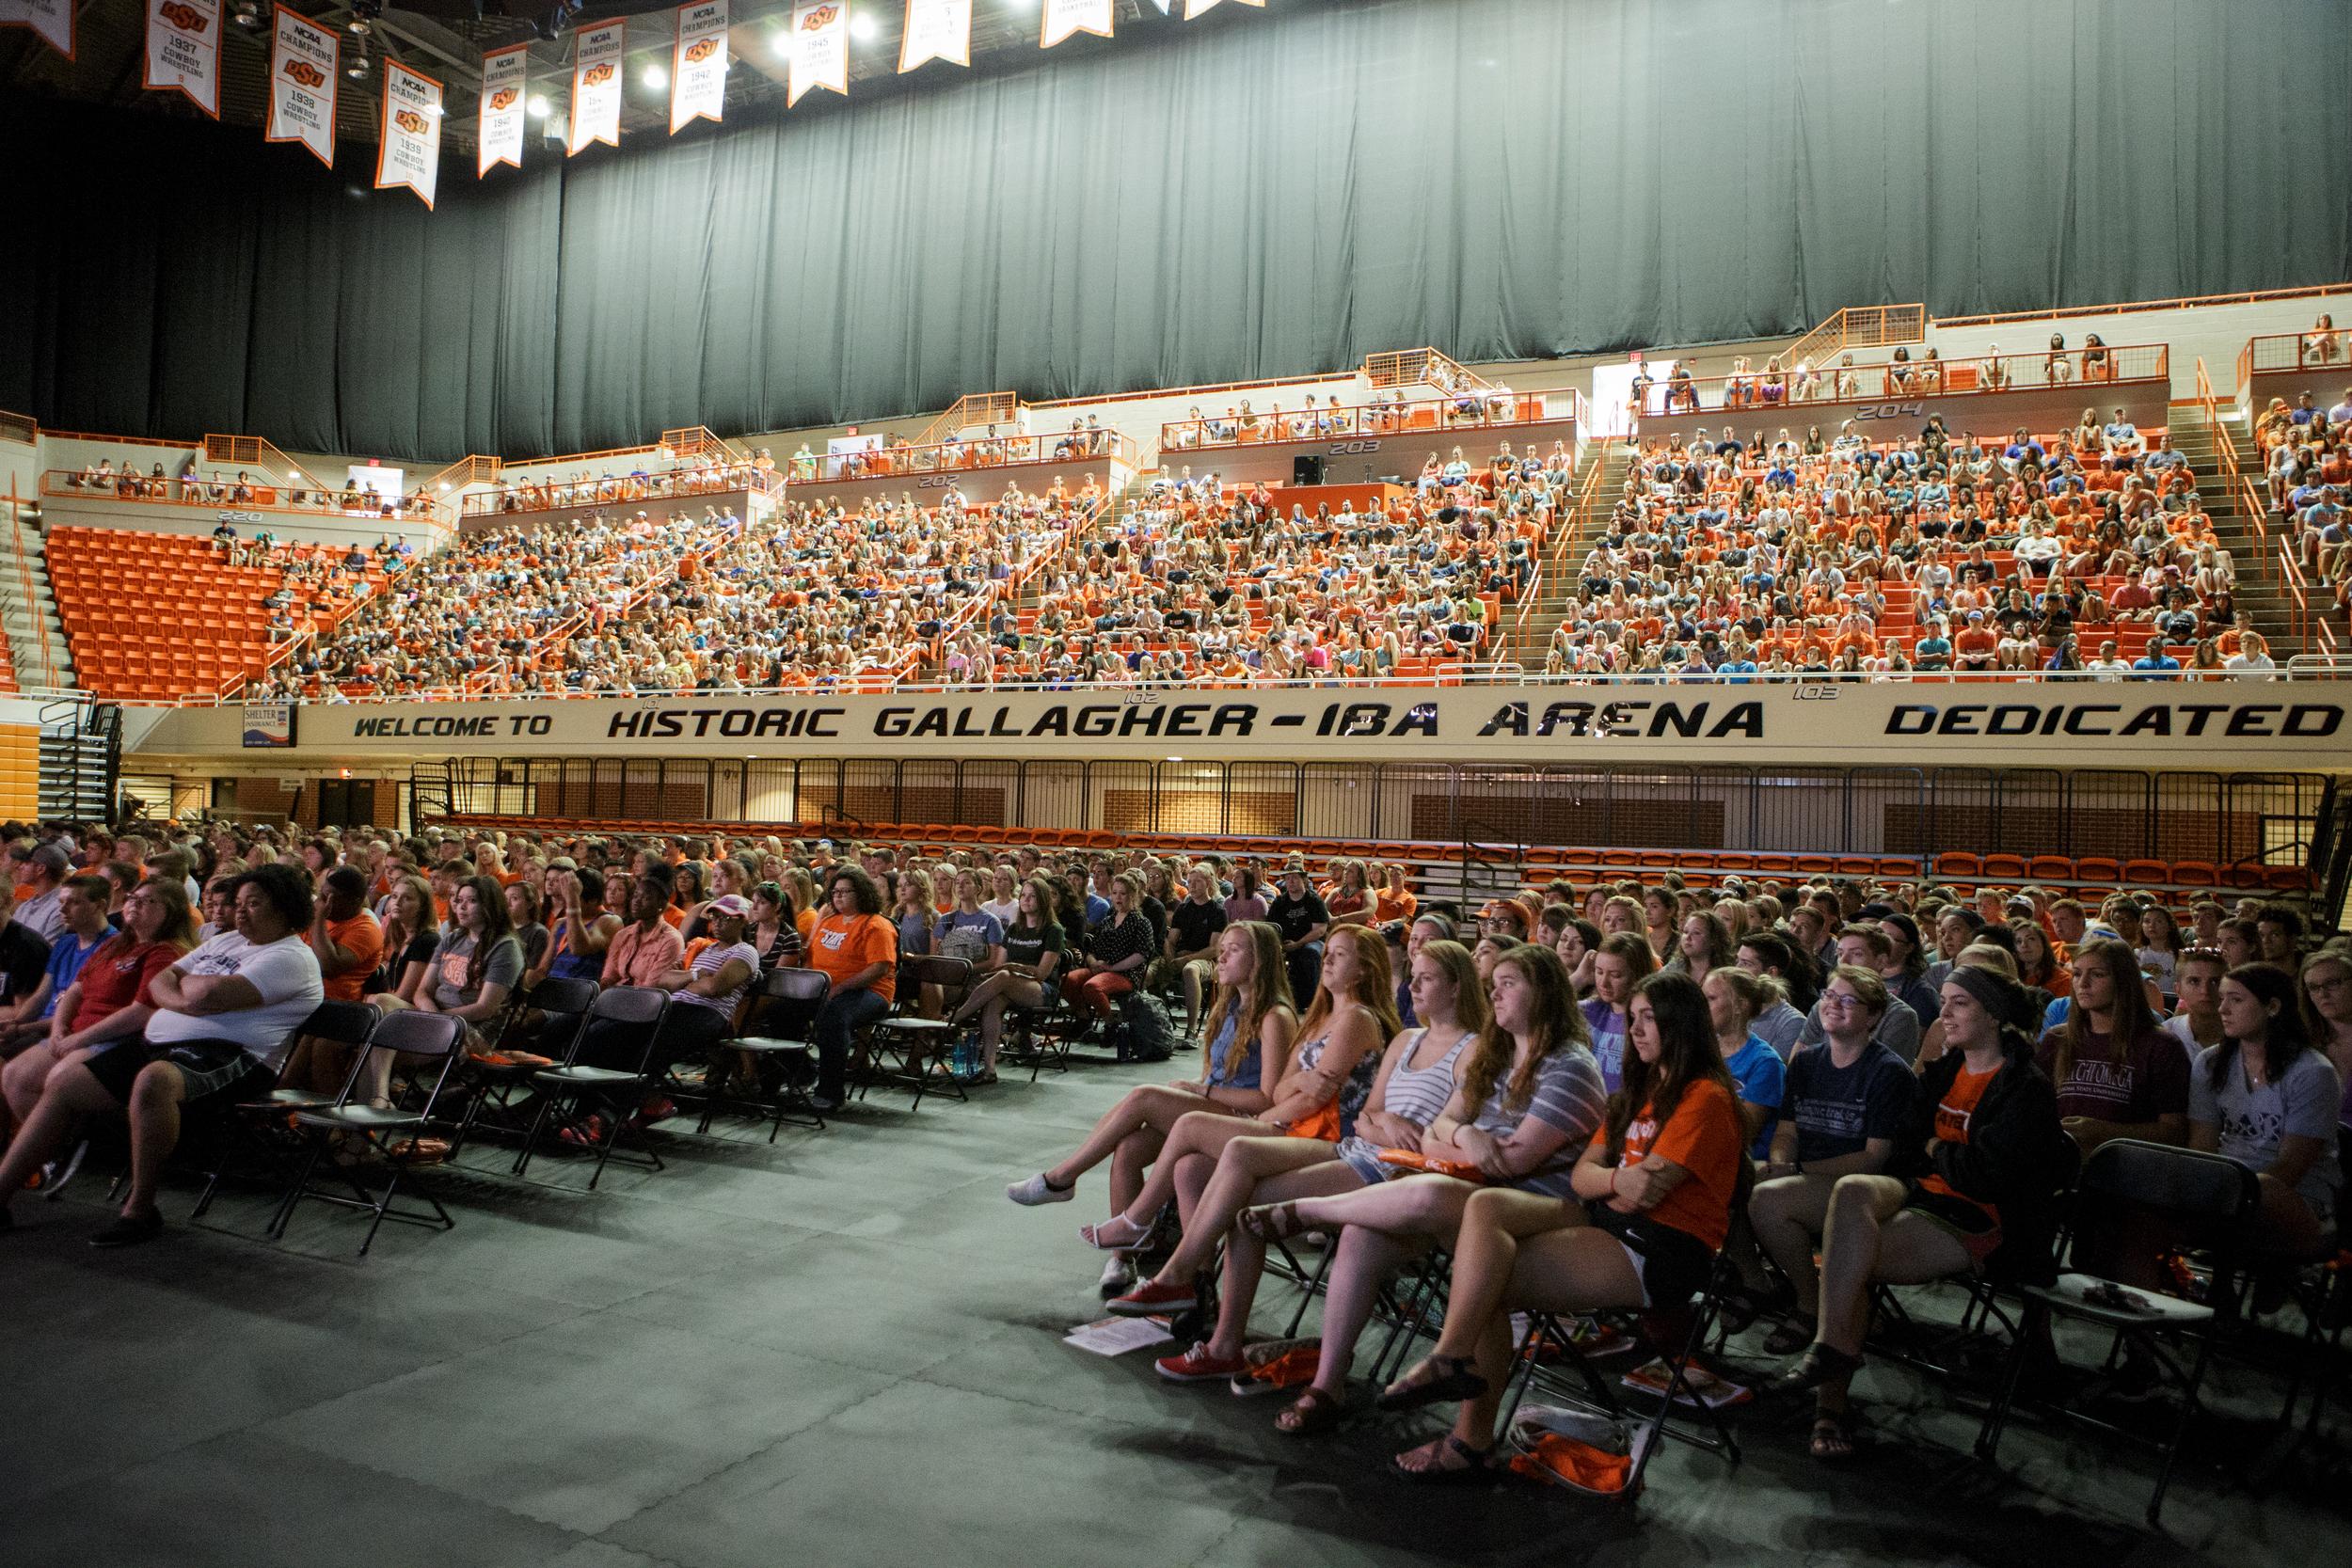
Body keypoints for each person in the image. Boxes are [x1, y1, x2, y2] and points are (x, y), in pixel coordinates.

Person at [1371, 971, 1744, 1481]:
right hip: (1610, 1227)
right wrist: (1618, 1179)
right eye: (1631, 1018)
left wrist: (1613, 1182)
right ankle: (1453, 1363)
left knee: (1484, 1285)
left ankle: (1468, 1430)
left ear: (1682, 1025)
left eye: (1649, 1018)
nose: (1635, 1030)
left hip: (1663, 1251)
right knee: (1485, 1211)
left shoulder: (1705, 1098)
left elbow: (1648, 1191)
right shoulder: (1634, 1093)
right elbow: (1586, 1178)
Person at [1230, 945, 1606, 1438]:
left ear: (1546, 994)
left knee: (1429, 1194)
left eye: (1510, 982)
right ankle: (1327, 1385)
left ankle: (1306, 1211)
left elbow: (1514, 1160)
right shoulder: (1496, 1054)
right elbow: (1440, 1127)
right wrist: (1467, 1134)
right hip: (1463, 1189)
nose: (1495, 989)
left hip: (1529, 1210)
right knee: (1364, 1232)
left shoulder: (1568, 1067)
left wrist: (1452, 1138)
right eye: (1496, 981)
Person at [1767, 965, 2066, 1463]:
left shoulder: (2023, 1086)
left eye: (1959, 1004)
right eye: (1943, 1001)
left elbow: (1984, 1175)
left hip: (1982, 1219)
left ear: (1992, 1016)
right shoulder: (1947, 1071)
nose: (1942, 1013)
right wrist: (1933, 1149)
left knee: (1849, 1258)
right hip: (1922, 1194)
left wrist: (1932, 1144)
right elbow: (1903, 1145)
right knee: (1854, 1190)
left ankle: (1830, 1398)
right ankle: (1832, 1349)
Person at [1139, 940, 1489, 1358]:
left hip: (1392, 1167)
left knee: (1236, 1197)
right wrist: (1388, 1123)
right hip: (1360, 1146)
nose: (1413, 986)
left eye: (1426, 978)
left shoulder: (1472, 1049)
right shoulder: (1407, 1039)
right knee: (1201, 1165)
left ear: (1456, 987)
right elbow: (1366, 1115)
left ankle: (1198, 1304)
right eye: (1412, 977)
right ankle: (1190, 1288)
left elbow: (1439, 1132)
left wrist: (1390, 1127)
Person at [0, 864, 325, 1244]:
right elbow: (159, 982)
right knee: (65, 1084)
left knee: (154, 1081)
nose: (239, 912)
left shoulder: (290, 957)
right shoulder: (227, 942)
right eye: (238, 903)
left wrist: (188, 993)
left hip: (234, 1058)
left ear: (285, 910)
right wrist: (187, 998)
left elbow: (207, 994)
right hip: (162, 1046)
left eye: (252, 904)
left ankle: (140, 1209)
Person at [1084, 925, 1396, 1283]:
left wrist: (1270, 1107)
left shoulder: (1352, 1018)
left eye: (1339, 955)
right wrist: (1294, 1088)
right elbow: (1285, 1091)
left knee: (1166, 1111)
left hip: (1325, 1137)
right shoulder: (1317, 1019)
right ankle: (1193, 1288)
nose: (1326, 959)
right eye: (1328, 953)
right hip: (1285, 1122)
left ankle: (1132, 1219)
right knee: (1185, 1167)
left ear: (1365, 969)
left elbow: (1309, 1097)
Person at [1008, 921, 1297, 1283]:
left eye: (1233, 950)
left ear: (1260, 960)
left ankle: (1062, 1178)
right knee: (1128, 1148)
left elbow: (1268, 1099)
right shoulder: (1231, 1006)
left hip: (1245, 1120)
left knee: (1144, 1096)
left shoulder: (1275, 1017)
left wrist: (1200, 1092)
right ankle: (1122, 1257)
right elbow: (1218, 1076)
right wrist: (1198, 1087)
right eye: (1222, 948)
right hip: (1216, 1108)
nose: (1221, 957)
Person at [1745, 965, 1919, 1357]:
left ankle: (1810, 1303)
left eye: (1848, 1000)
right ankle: (1750, 1284)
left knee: (1768, 1201)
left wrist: (1796, 1171)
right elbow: (1787, 1131)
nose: (1833, 1005)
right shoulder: (1806, 1064)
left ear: (1873, 1016)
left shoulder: (1888, 1072)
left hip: (1864, 1184)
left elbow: (1874, 1157)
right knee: (1736, 1181)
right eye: (1828, 996)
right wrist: (1779, 1162)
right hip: (1806, 1173)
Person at [0, 878, 192, 1156]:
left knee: (58, 1079)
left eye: (146, 901)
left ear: (171, 910)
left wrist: (79, 1038)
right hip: (74, 1031)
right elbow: (75, 992)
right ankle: (49, 1151)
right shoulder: (115, 945)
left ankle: (54, 1149)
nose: (134, 905)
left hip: (113, 1038)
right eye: (131, 898)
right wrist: (59, 1029)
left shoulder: (166, 952)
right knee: (15, 1075)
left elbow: (140, 1012)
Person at [2189, 963, 2343, 1259]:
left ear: (2272, 1007)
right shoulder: (2210, 1062)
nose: (2222, 1008)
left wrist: (2222, 1198)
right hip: (2226, 1185)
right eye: (2222, 998)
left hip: (2297, 1199)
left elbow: (2290, 1167)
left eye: (2236, 999)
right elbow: (2202, 1144)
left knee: (2264, 1187)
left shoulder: (2313, 1072)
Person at [2037, 937, 2187, 1155]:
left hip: (2128, 1170)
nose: (2083, 983)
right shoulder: (2058, 1039)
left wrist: (2107, 1132)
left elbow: (2175, 1132)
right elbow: (2037, 1110)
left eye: (2097, 974)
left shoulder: (2161, 1046)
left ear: (2123, 980)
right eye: (2077, 973)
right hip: (2063, 1166)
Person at [954, 875, 1075, 1082]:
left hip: (1042, 990)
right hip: (1009, 984)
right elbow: (1000, 964)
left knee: (1003, 975)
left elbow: (1041, 973)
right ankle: (989, 1069)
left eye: (1033, 896)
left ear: (1043, 900)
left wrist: (1014, 969)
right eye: (1024, 896)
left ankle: (954, 1019)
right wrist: (1010, 970)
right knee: (994, 1000)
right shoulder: (1013, 929)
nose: (1026, 900)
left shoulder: (1053, 930)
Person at [803, 866, 899, 1111]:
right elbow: (811, 958)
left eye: (846, 892)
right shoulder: (828, 921)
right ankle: (799, 1071)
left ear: (862, 893)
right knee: (781, 1010)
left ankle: (830, 1091)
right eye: (835, 892)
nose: (838, 896)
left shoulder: (876, 925)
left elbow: (879, 967)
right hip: (825, 988)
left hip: (870, 992)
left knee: (834, 1017)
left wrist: (842, 986)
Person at [1706, 966, 1788, 1160]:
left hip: (1740, 1161)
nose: (1701, 1006)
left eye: (1711, 999)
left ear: (1739, 1006)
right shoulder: (1702, 1050)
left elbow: (1742, 1133)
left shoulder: (1765, 1062)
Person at [1059, 871, 1153, 1025]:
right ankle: (1083, 1017)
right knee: (1067, 980)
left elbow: (1141, 955)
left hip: (1126, 973)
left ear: (1133, 895)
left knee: (1092, 987)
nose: (1118, 897)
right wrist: (1093, 962)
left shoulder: (1141, 922)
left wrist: (1112, 967)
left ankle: (1111, 1023)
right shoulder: (1108, 920)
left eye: (1123, 893)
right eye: (1115, 893)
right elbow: (1091, 949)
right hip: (1100, 967)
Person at [1581, 931, 1655, 1092]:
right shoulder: (1588, 1010)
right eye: (1599, 972)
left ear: (1637, 974)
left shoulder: (1650, 1020)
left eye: (1615, 975)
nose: (1604, 983)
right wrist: (1580, 978)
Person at [307, 866, 385, 1007]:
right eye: (322, 895)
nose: (321, 902)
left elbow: (328, 968)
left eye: (329, 898)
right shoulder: (322, 917)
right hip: (302, 995)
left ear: (354, 901)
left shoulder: (367, 930)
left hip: (333, 1007)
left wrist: (319, 919)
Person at [1166, 866, 1229, 1036]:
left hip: (1206, 960)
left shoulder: (1217, 911)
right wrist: (1170, 959)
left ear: (1208, 883)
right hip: (1180, 956)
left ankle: (1191, 1030)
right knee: (1146, 970)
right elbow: (1171, 940)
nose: (1192, 886)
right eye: (1190, 882)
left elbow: (1214, 949)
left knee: (1190, 969)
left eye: (1197, 882)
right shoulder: (1183, 909)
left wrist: (1187, 959)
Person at [1266, 859, 1331, 1011]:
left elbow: (1320, 930)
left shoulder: (1314, 901)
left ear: (1304, 880)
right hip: (1285, 943)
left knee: (1311, 953)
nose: (1291, 882)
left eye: (1295, 878)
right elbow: (1271, 927)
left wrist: (1298, 943)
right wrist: (1281, 945)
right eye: (1288, 879)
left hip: (1310, 941)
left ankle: (1314, 1002)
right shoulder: (1280, 902)